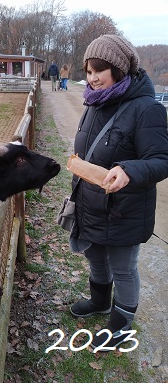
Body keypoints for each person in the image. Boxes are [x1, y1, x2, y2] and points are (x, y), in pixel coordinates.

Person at [69, 34, 168, 351]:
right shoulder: (94, 102)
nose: (92, 77)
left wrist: (129, 170)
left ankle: (121, 325)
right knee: (95, 256)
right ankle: (99, 302)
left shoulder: (146, 109)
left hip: (125, 209)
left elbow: (161, 160)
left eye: (99, 69)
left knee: (124, 270)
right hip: (91, 203)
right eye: (88, 70)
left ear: (119, 69)